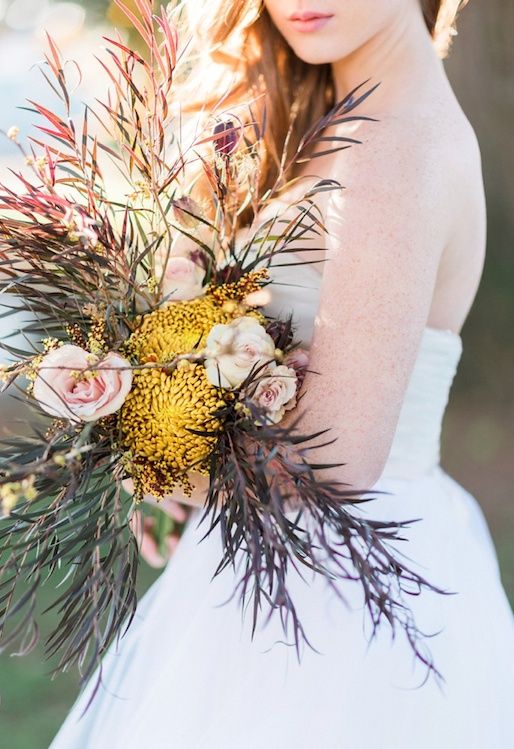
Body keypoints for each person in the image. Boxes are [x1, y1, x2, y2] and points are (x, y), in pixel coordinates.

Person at [50, 1, 514, 746]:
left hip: (334, 610)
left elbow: (332, 461)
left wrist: (144, 443)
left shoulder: (398, 144)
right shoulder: (345, 114)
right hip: (287, 567)